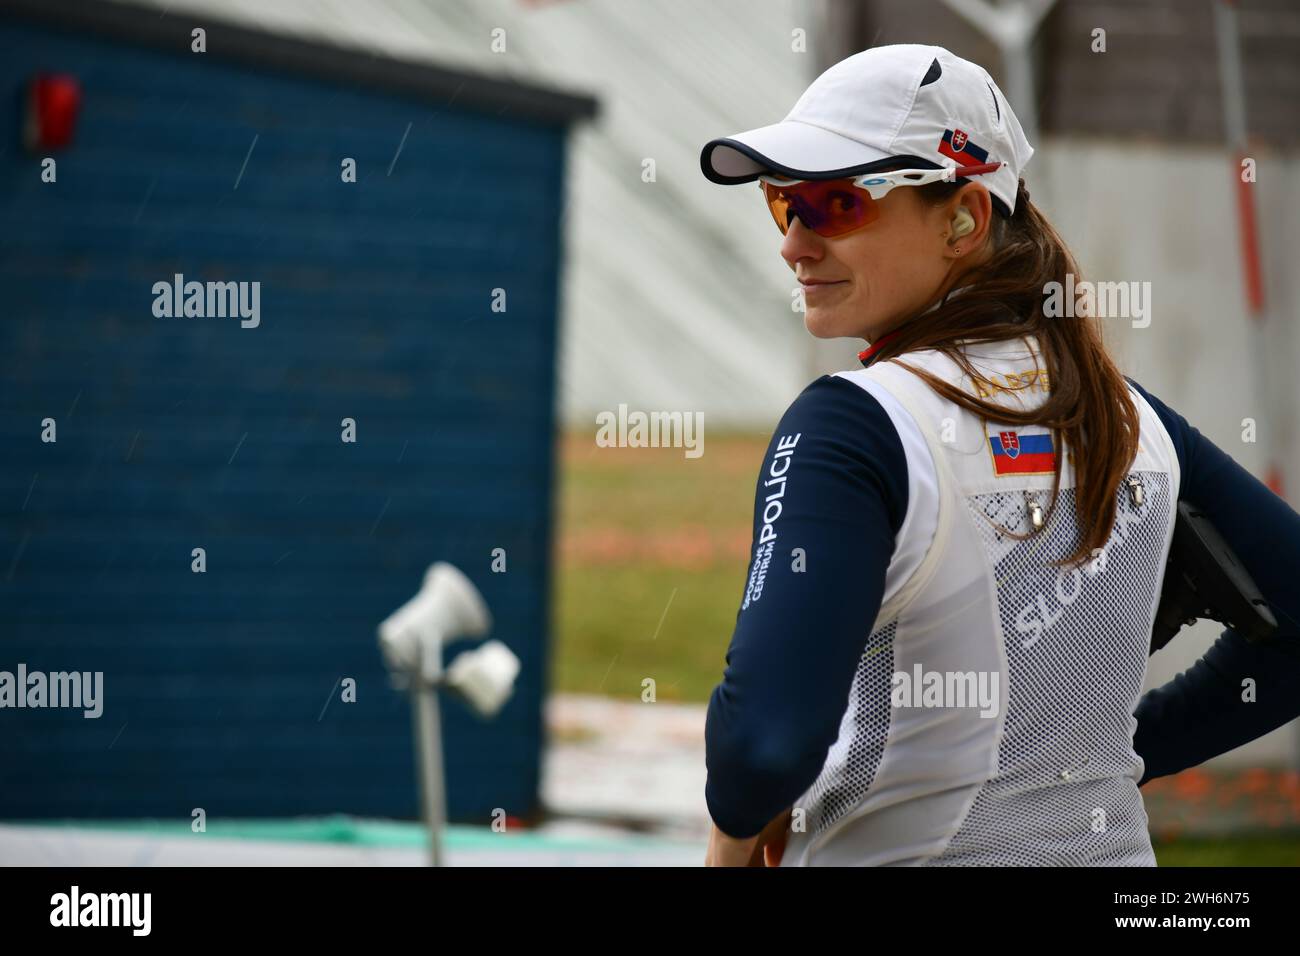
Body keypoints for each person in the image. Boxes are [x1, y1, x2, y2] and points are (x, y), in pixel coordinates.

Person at [698, 44, 1300, 867]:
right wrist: (1103, 765)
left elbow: (761, 749)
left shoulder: (853, 427)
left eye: (836, 203)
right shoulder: (1131, 416)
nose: (794, 246)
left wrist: (733, 830)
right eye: (783, 206)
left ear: (964, 220)